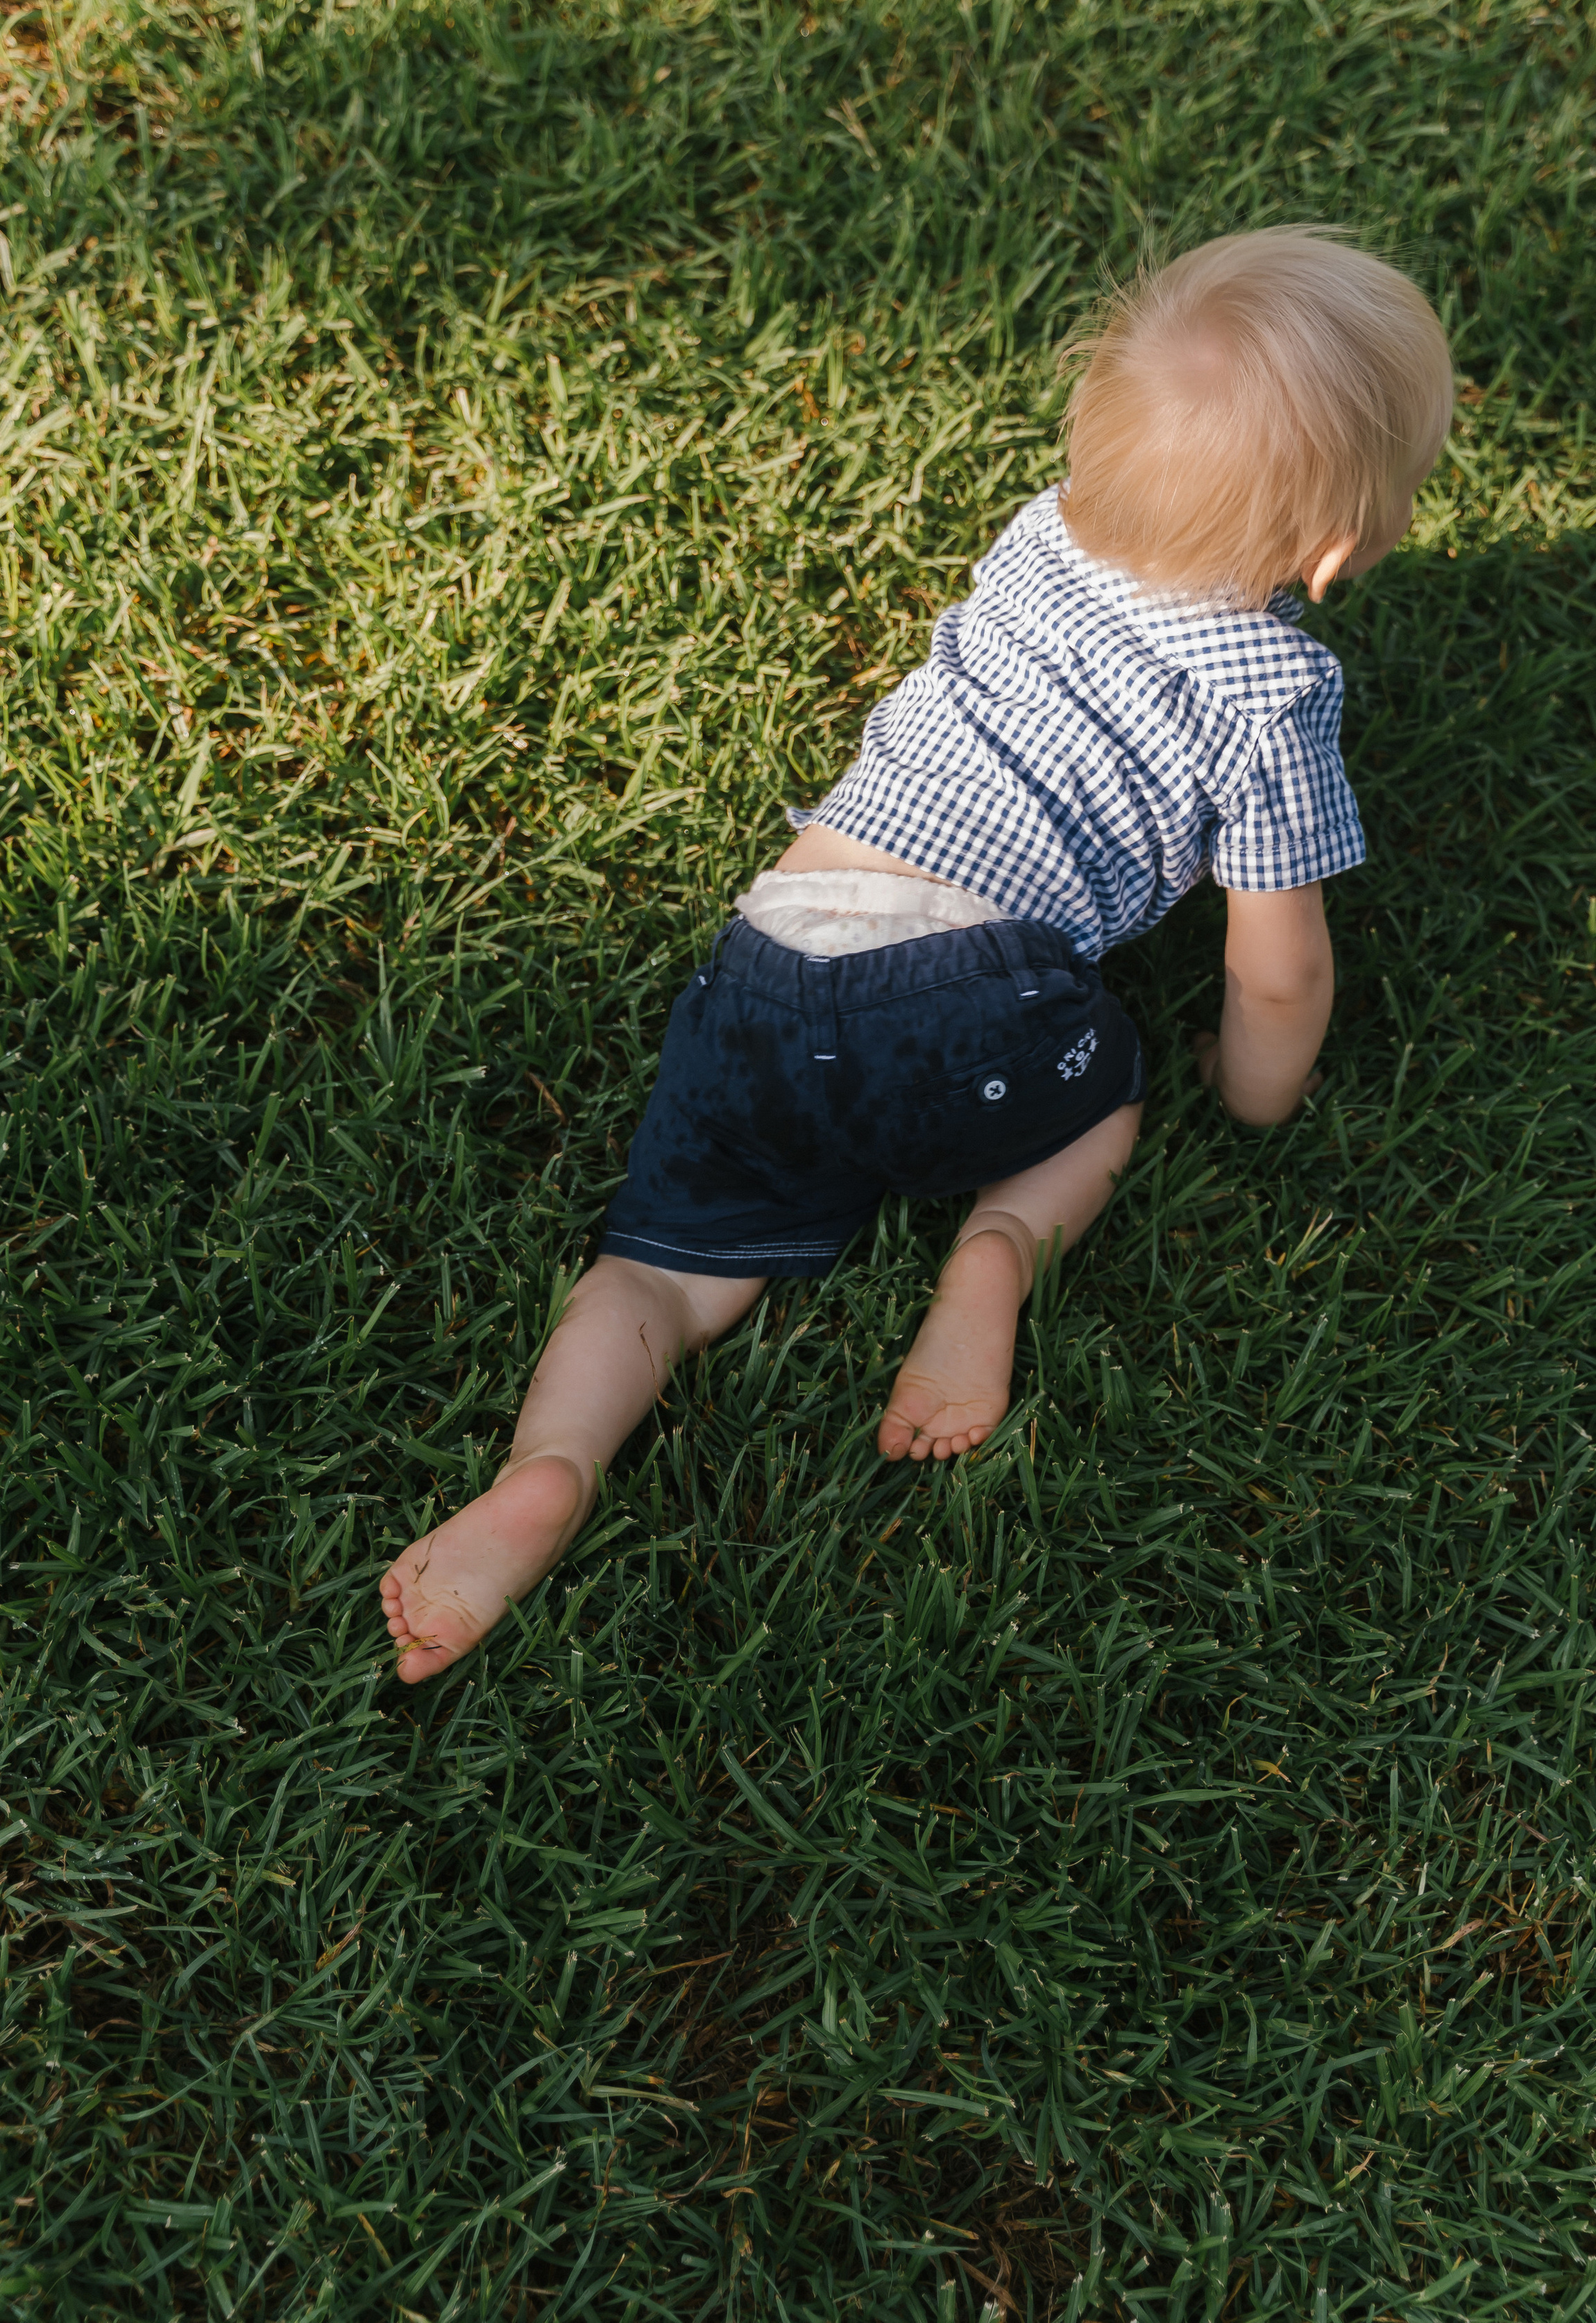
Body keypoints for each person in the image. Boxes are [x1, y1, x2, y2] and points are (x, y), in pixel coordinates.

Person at [380, 226, 1452, 1683]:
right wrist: (1251, 1092)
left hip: (764, 966)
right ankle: (996, 1253)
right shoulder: (1271, 696)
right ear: (1330, 555)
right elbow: (1278, 971)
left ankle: (550, 1468)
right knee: (1102, 1090)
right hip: (968, 997)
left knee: (659, 1270)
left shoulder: (1038, 537)